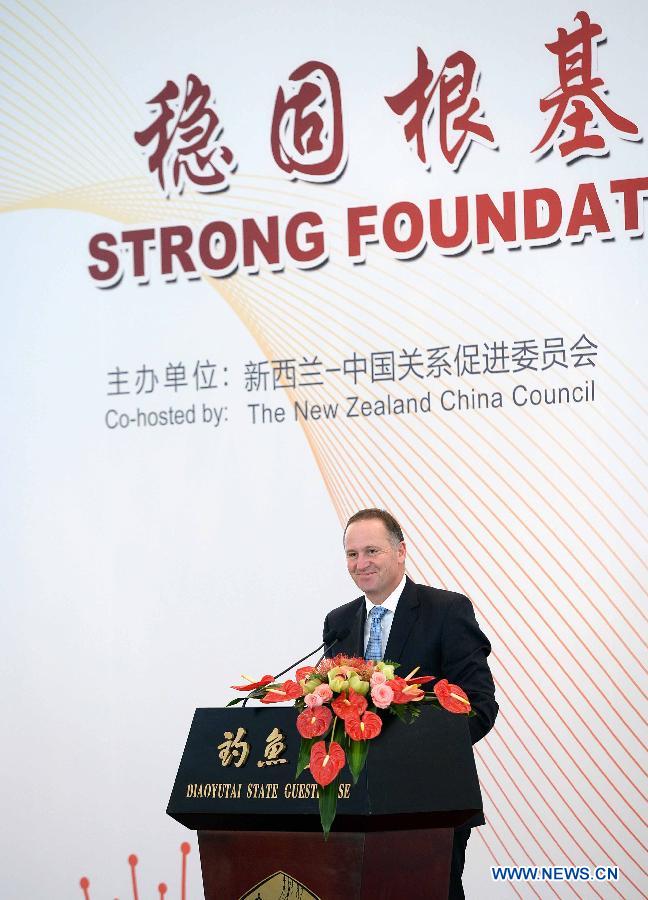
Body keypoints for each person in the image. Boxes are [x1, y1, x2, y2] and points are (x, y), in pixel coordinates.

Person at [323, 508, 498, 900]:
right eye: (352, 554)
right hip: (352, 801)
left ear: (401, 551)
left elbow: (480, 704)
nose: (361, 564)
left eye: (372, 551)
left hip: (430, 804)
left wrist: (421, 751)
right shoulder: (338, 622)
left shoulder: (447, 611)